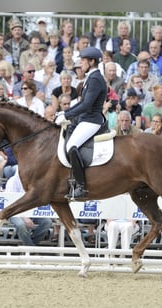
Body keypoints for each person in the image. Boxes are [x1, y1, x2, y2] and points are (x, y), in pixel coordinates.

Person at [54, 47, 107, 200]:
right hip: (85, 118)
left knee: (71, 146)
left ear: (92, 61)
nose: (81, 64)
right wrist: (64, 113)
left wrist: (68, 115)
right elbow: (82, 102)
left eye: (83, 61)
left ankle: (82, 186)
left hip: (92, 120)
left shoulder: (96, 78)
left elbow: (87, 105)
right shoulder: (90, 77)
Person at [6, 169, 52, 246]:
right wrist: (24, 217)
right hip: (13, 213)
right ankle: (31, 249)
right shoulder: (13, 181)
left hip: (30, 211)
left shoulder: (33, 182)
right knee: (21, 225)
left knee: (47, 222)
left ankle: (29, 246)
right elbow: (11, 203)